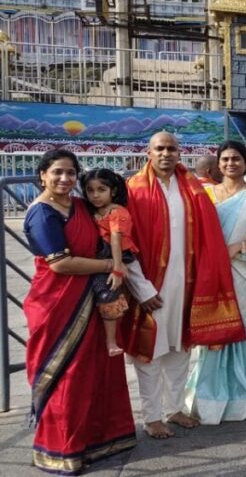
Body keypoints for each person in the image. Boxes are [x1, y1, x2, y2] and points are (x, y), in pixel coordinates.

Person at [22, 150, 136, 473]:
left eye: (71, 173)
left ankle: (100, 440)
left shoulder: (81, 205)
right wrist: (109, 266)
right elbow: (60, 263)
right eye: (57, 172)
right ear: (42, 174)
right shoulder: (42, 213)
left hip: (91, 295)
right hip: (57, 301)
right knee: (68, 374)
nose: (65, 179)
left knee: (97, 368)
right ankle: (62, 448)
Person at [126, 131, 245, 439]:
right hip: (150, 285)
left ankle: (175, 409)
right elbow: (125, 246)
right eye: (160, 149)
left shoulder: (191, 187)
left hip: (187, 280)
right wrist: (142, 289)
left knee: (180, 347)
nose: (166, 154)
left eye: (171, 149)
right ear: (148, 153)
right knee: (149, 350)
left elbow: (208, 234)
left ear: (180, 153)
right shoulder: (134, 190)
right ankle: (152, 416)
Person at [184, 141, 246, 424]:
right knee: (214, 332)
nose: (230, 163)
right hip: (212, 274)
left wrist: (240, 246)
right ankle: (209, 400)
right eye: (225, 159)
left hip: (245, 272)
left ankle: (245, 398)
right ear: (217, 164)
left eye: (236, 159)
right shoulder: (205, 194)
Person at [81, 169, 152, 356]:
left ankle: (112, 342)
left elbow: (116, 240)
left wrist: (117, 267)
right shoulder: (91, 210)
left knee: (115, 295)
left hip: (120, 256)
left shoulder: (117, 211)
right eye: (90, 190)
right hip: (100, 259)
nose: (95, 195)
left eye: (101, 189)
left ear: (112, 191)